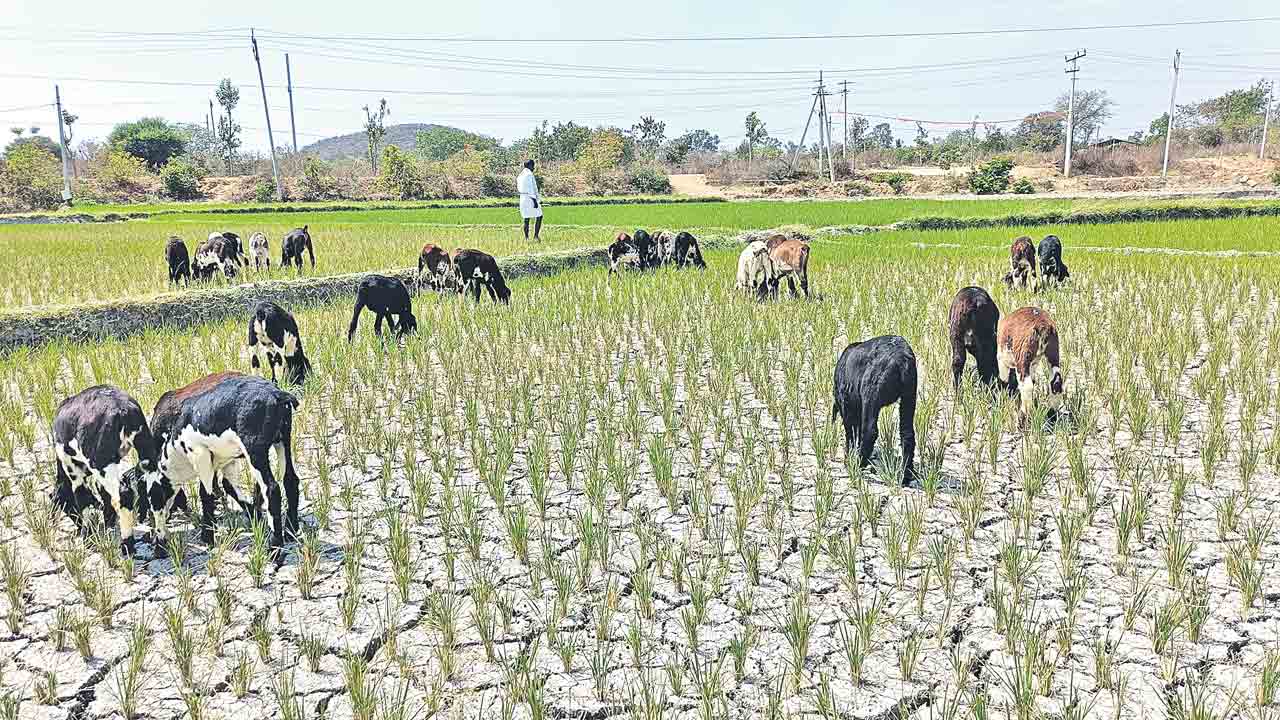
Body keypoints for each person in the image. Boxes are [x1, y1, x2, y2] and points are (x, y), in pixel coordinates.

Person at [517, 159, 543, 241]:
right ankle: (535, 236)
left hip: (522, 198)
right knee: (539, 216)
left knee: (526, 218)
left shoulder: (520, 175)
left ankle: (526, 238)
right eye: (533, 166)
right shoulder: (529, 175)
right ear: (530, 166)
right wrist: (535, 201)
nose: (534, 168)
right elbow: (530, 189)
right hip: (530, 198)